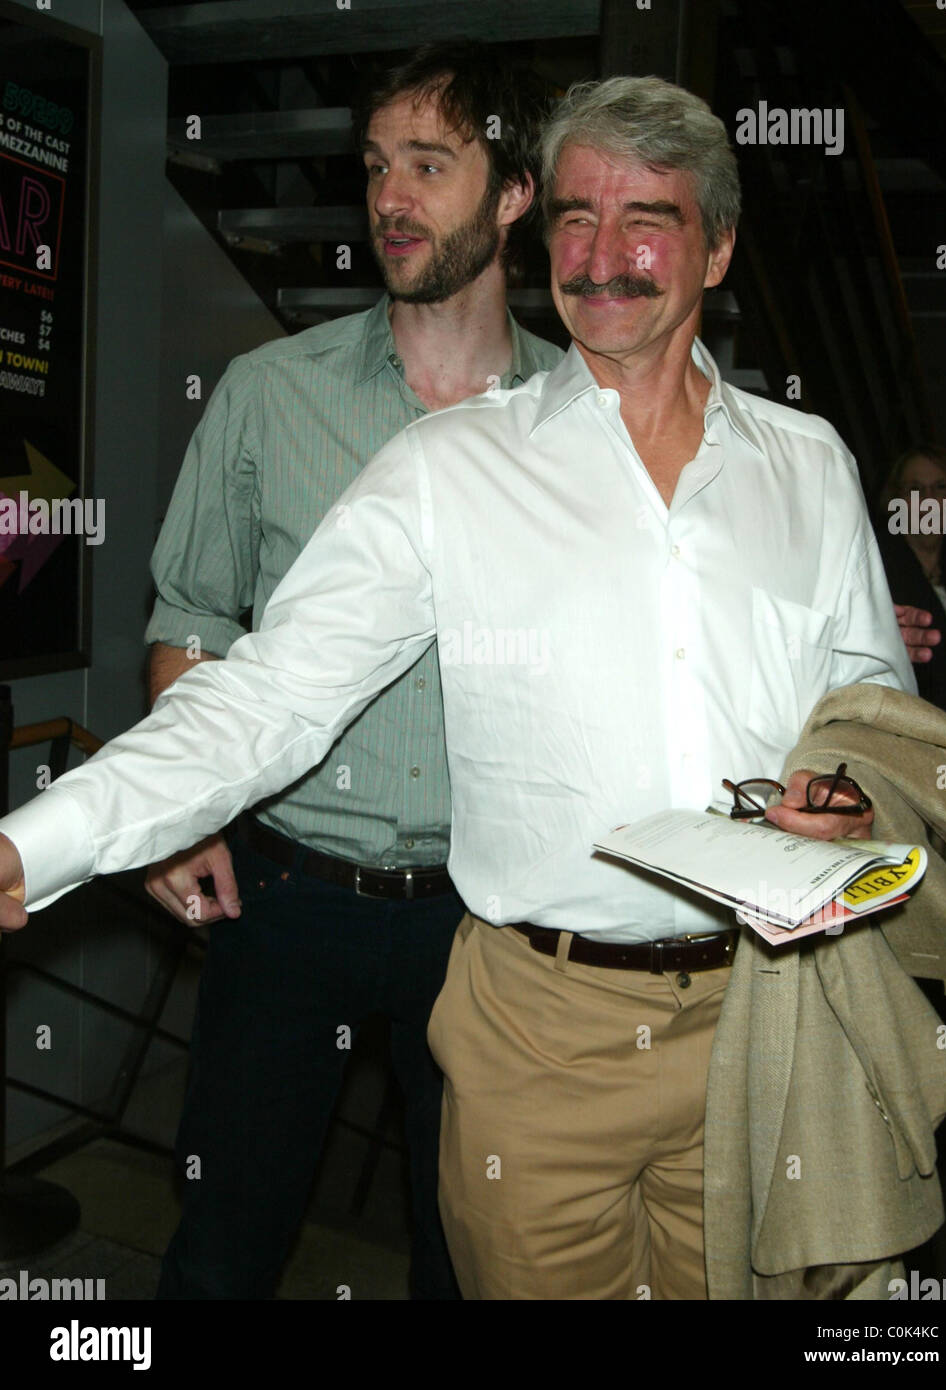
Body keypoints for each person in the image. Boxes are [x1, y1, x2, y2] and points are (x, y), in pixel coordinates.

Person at [0, 77, 916, 1299]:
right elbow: (269, 694)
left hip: (764, 1018)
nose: (602, 254)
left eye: (645, 220)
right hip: (538, 1038)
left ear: (717, 248)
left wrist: (845, 798)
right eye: (576, 218)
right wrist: (38, 843)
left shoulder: (808, 466)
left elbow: (869, 712)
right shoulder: (451, 465)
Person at [140, 42, 562, 1300]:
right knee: (221, 1251)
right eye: (376, 166)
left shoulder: (581, 420)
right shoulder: (270, 396)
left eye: (430, 165)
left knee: (468, 1259)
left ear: (513, 192)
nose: (389, 197)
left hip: (489, 915)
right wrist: (182, 809)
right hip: (285, 893)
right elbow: (191, 616)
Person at [877, 444, 946, 739]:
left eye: (941, 487)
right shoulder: (877, 568)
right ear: (896, 500)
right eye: (915, 489)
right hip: (919, 741)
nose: (929, 500)